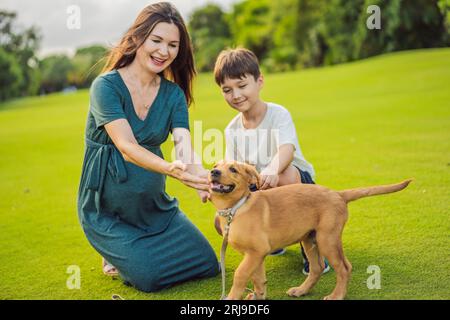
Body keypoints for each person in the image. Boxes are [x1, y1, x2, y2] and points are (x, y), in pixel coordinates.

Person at [77, 2, 219, 293]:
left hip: (157, 210)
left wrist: (203, 178)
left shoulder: (173, 95)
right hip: (106, 212)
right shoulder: (106, 87)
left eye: (173, 45)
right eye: (156, 40)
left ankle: (134, 253)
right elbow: (126, 146)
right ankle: (114, 250)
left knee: (207, 265)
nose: (164, 51)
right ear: (137, 38)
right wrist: (170, 169)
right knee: (150, 277)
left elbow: (183, 146)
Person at [213, 47, 329, 274]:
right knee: (221, 218)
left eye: (242, 86)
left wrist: (272, 169)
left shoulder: (278, 114)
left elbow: (286, 148)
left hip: (296, 184)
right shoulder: (232, 129)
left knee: (284, 175)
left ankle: (313, 251)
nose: (236, 95)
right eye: (227, 90)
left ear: (259, 81)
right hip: (259, 187)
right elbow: (233, 169)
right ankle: (267, 240)